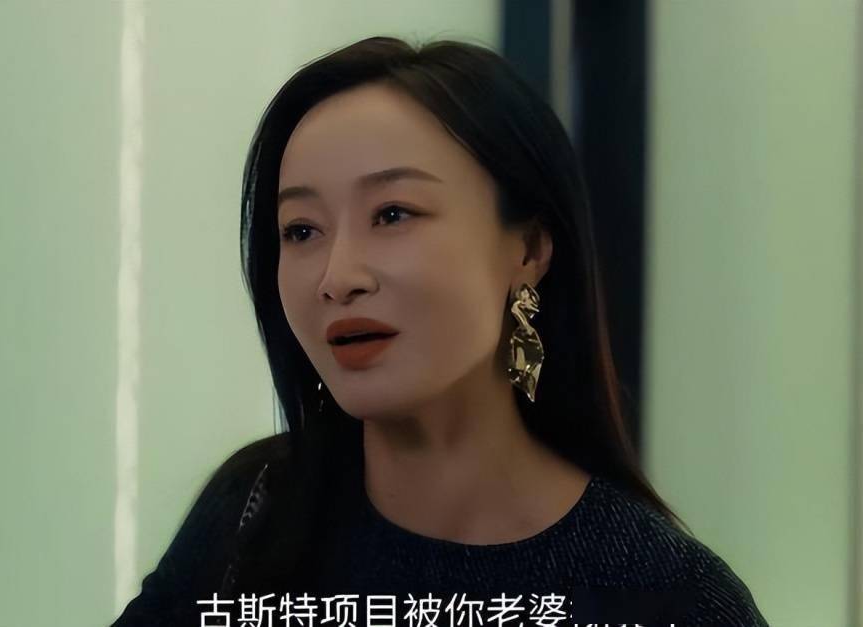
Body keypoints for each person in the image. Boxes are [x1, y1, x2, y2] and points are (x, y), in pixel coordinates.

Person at [112, 36, 769, 627]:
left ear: (529, 249)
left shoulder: (667, 598)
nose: (337, 278)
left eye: (393, 214)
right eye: (301, 230)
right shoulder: (252, 513)